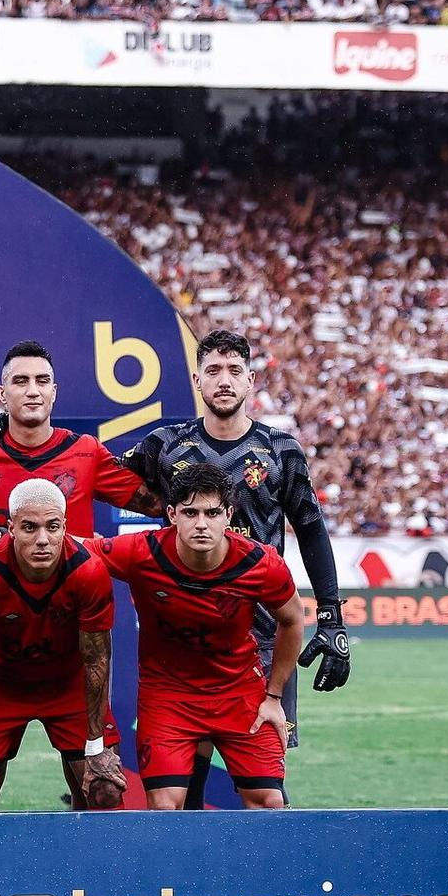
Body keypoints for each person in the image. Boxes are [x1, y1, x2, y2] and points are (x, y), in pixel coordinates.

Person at [117, 328, 349, 807]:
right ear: (198, 381)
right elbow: (99, 478)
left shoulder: (280, 450)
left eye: (234, 371)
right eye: (213, 371)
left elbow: (310, 528)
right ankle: (189, 877)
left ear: (250, 380)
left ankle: (255, 879)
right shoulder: (164, 446)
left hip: (263, 633)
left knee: (265, 766)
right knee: (188, 768)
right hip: (188, 629)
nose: (224, 381)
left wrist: (331, 616)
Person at [84, 463, 304, 810]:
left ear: (228, 514)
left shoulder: (260, 564)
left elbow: (292, 621)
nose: (201, 523)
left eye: (212, 512)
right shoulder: (141, 552)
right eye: (190, 512)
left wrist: (274, 696)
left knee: (268, 804)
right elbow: (71, 548)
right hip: (169, 698)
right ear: (172, 514)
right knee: (165, 808)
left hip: (239, 693)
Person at [0, 479, 124, 813]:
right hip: (0, 683)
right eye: (29, 527)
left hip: (67, 684)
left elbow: (97, 659)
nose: (42, 539)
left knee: (105, 789)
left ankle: (90, 865)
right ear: (10, 528)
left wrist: (96, 745)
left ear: (65, 527)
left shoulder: (88, 571)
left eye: (53, 527)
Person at [0, 339, 160, 539]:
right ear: (2, 394)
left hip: (74, 592)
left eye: (42, 380)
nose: (33, 391)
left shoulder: (87, 451)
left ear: (54, 391)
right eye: (21, 381)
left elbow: (156, 505)